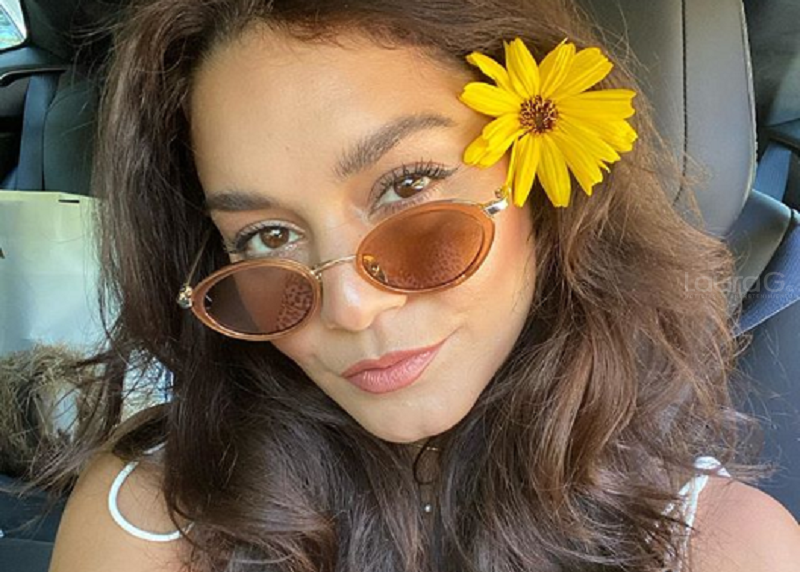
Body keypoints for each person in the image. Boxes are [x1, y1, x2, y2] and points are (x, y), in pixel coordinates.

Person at [43, 0, 799, 571]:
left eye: (407, 188)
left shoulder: (727, 549)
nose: (349, 309)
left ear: (541, 180)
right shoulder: (152, 525)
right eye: (268, 237)